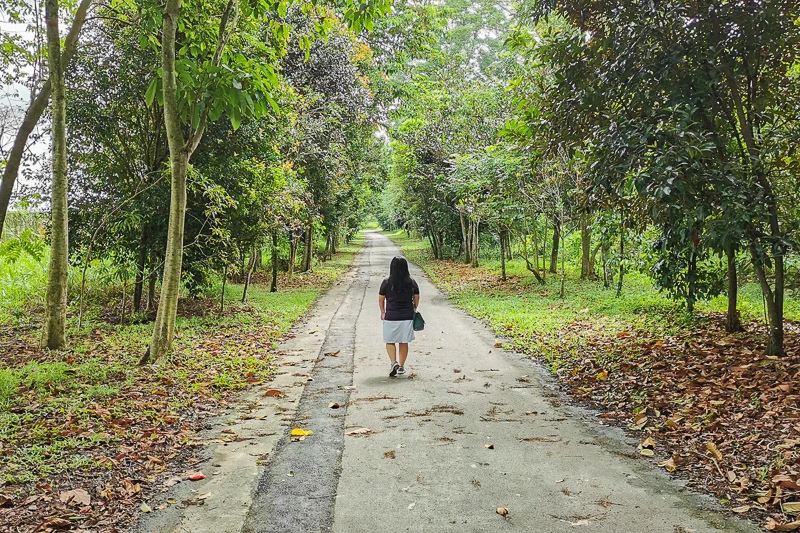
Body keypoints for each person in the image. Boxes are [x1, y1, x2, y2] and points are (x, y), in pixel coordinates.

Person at [378, 256, 420, 377]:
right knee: (403, 341)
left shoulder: (386, 282)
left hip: (391, 316)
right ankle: (401, 367)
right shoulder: (411, 282)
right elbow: (417, 297)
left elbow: (381, 299)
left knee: (390, 341)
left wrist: (382, 311)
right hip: (407, 316)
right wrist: (414, 308)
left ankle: (393, 362)